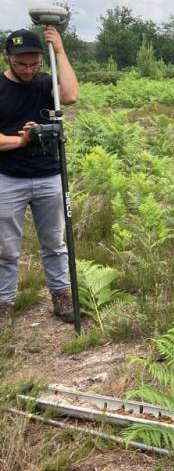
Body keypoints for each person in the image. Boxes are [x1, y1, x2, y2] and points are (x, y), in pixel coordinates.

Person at [0, 26, 79, 327]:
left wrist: (59, 50)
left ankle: (60, 297)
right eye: (21, 64)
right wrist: (19, 141)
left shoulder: (46, 84)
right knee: (6, 248)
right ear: (8, 58)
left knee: (55, 243)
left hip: (49, 176)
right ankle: (4, 304)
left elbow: (71, 95)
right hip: (8, 178)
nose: (29, 70)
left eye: (34, 63)